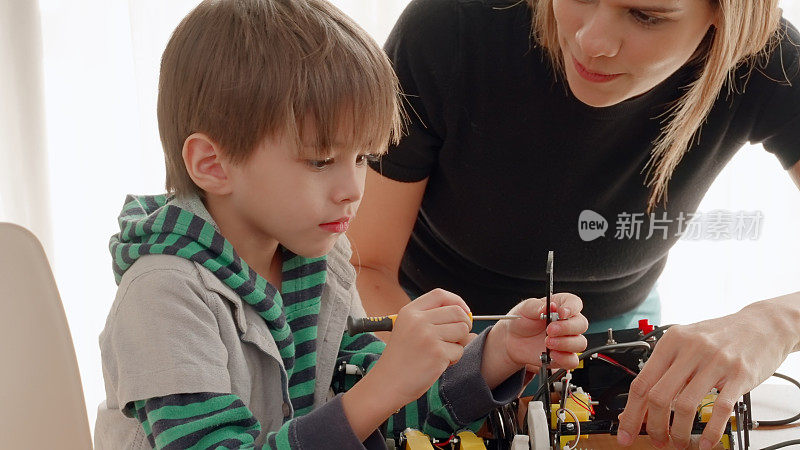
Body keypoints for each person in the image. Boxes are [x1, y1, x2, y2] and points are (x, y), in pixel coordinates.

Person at [93, 0, 588, 448]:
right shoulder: (163, 296)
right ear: (213, 164)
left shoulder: (319, 261)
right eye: (320, 160)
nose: (353, 189)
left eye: (362, 157)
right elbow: (367, 402)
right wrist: (384, 385)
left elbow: (387, 415)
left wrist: (497, 352)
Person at [347, 0, 800, 448]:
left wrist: (776, 323)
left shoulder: (768, 61)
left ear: (726, 15)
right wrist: (466, 377)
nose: (591, 41)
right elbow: (365, 267)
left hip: (617, 339)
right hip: (419, 322)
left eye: (646, 15)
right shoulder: (448, 27)